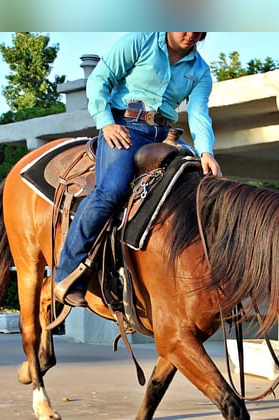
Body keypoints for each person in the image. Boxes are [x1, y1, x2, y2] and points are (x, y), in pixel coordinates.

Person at [54, 32, 222, 307]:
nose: (192, 34)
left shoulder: (200, 71)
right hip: (126, 128)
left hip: (166, 136)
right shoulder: (138, 42)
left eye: (199, 29)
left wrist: (206, 152)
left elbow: (199, 112)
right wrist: (105, 122)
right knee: (111, 191)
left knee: (199, 191)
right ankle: (68, 273)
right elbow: (100, 79)